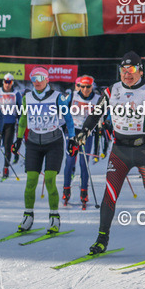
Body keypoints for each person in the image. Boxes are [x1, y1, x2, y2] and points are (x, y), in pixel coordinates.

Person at [75, 52, 145, 257]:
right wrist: (84, 131)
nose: (127, 74)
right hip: (119, 150)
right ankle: (101, 239)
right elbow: (96, 114)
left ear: (140, 70)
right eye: (124, 71)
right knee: (110, 194)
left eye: (132, 70)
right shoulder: (111, 90)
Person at [12, 67, 74, 234]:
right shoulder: (27, 97)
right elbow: (23, 119)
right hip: (33, 142)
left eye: (40, 77)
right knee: (30, 181)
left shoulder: (57, 97)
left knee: (49, 180)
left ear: (47, 79)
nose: (37, 81)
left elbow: (68, 118)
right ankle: (28, 216)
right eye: (33, 78)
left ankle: (54, 217)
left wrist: (72, 138)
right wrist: (18, 139)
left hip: (54, 142)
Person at [62, 75, 100, 209]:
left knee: (84, 164)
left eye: (88, 87)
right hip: (73, 133)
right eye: (82, 86)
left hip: (87, 134)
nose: (85, 89)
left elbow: (102, 114)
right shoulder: (72, 96)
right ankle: (66, 191)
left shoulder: (97, 99)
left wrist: (103, 123)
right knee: (70, 162)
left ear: (92, 86)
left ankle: (84, 193)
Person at [0, 73, 22, 179]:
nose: (7, 84)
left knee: (8, 146)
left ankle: (6, 168)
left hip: (10, 123)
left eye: (9, 82)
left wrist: (20, 120)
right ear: (3, 82)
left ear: (12, 83)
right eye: (6, 82)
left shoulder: (16, 94)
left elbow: (20, 109)